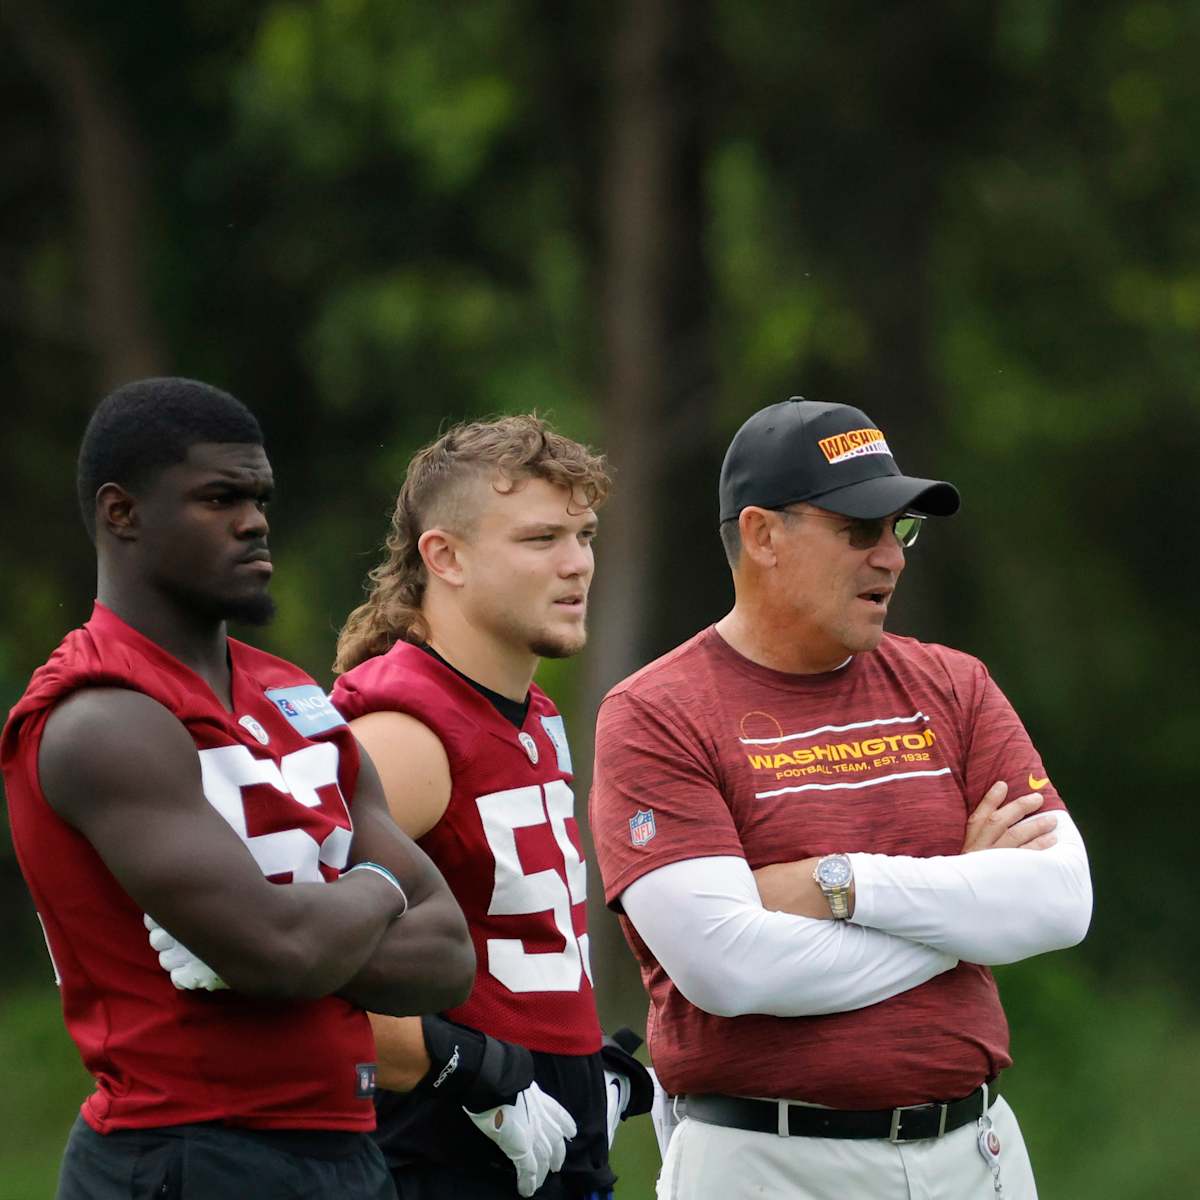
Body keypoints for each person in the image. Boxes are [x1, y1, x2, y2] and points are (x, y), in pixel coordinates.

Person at [589, 397, 1093, 1200]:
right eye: (861, 530)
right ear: (763, 536)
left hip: (978, 1151)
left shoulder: (954, 685)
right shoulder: (656, 712)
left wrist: (841, 883)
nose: (891, 557)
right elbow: (730, 971)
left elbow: (1062, 902)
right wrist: (964, 910)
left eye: (902, 530)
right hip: (769, 1160)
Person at [1, 378, 476, 1200]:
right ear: (123, 513)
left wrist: (300, 924)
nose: (254, 521)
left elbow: (447, 954)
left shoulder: (294, 696)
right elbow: (279, 953)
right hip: (186, 1152)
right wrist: (371, 891)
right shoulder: (99, 715)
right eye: (219, 497)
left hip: (347, 1146)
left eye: (259, 497)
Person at [330, 415, 649, 1200]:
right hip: (444, 1157)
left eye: (586, 534)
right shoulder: (404, 735)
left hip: (545, 1148)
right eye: (542, 540)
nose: (577, 564)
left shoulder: (528, 708)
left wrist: (575, 1065)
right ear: (446, 556)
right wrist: (465, 1066)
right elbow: (285, 960)